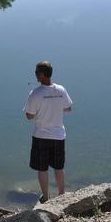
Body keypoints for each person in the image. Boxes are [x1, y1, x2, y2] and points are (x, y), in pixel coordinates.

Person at [24, 61, 73, 203]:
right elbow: (69, 108)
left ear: (42, 74)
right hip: (58, 135)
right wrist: (55, 109)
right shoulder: (61, 90)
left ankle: (46, 198)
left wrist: (42, 112)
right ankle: (62, 196)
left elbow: (29, 116)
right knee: (59, 167)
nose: (35, 75)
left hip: (41, 136)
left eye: (36, 72)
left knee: (42, 168)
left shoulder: (36, 93)